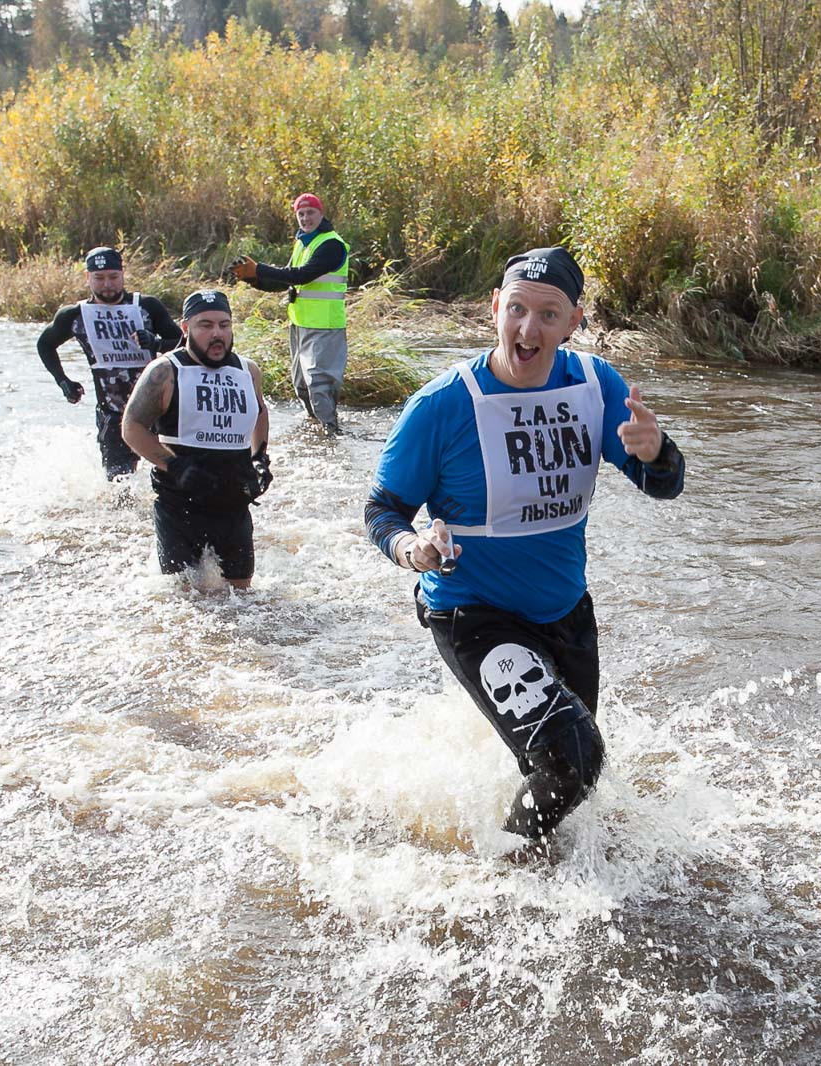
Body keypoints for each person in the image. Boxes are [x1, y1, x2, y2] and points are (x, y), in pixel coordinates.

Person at [364, 247, 686, 851]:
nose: (527, 329)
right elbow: (382, 509)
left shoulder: (594, 385)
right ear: (494, 309)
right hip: (473, 611)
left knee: (572, 766)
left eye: (547, 314)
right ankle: (508, 876)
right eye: (516, 310)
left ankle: (538, 859)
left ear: (573, 322)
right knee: (573, 758)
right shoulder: (443, 405)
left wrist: (657, 452)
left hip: (565, 611)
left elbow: (662, 484)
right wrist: (412, 547)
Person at [121, 289, 272, 588]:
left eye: (224, 325)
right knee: (185, 603)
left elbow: (260, 411)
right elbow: (131, 427)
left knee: (243, 601)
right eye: (206, 325)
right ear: (186, 328)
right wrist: (175, 466)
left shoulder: (248, 370)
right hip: (180, 507)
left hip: (233, 505)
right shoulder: (165, 371)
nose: (217, 334)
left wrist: (260, 458)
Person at [37, 246, 182, 480]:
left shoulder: (146, 306)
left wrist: (156, 343)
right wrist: (63, 381)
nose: (107, 285)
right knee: (118, 486)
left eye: (113, 277)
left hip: (159, 409)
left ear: (123, 275)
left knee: (176, 476)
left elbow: (184, 345)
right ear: (87, 278)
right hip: (112, 413)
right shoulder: (74, 315)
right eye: (99, 278)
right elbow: (45, 344)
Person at [226, 192, 349, 436]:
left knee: (320, 386)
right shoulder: (303, 243)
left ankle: (332, 435)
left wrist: (259, 267)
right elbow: (288, 282)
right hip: (300, 325)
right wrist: (254, 279)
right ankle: (317, 430)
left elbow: (301, 275)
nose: (305, 218)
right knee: (302, 387)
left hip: (325, 327)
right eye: (300, 214)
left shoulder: (331, 244)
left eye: (310, 213)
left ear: (321, 214)